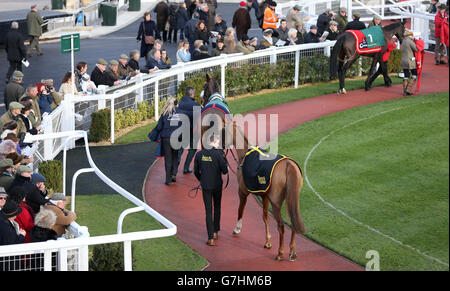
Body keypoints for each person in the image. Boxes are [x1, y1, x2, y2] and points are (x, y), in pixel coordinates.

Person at [194, 134, 228, 246]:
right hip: (217, 185)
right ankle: (215, 232)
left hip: (206, 186)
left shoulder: (199, 154)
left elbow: (195, 171)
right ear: (216, 142)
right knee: (217, 207)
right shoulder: (218, 154)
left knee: (208, 211)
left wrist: (202, 180)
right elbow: (225, 171)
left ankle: (210, 238)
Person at [154, 97, 182, 185]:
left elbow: (159, 127)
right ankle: (174, 173)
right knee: (175, 156)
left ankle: (168, 179)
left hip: (166, 138)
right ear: (176, 104)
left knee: (168, 158)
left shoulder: (164, 113)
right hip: (176, 137)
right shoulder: (179, 113)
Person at [177, 86, 200, 174]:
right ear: (192, 94)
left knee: (179, 149)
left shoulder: (179, 104)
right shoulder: (196, 105)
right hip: (191, 131)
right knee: (193, 148)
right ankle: (186, 167)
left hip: (180, 130)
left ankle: (174, 169)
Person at [401, 30, 419, 96]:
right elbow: (416, 49)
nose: (412, 36)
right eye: (411, 35)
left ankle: (405, 91)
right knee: (414, 74)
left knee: (406, 75)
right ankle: (408, 89)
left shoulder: (403, 41)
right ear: (409, 36)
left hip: (403, 60)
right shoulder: (410, 41)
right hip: (410, 61)